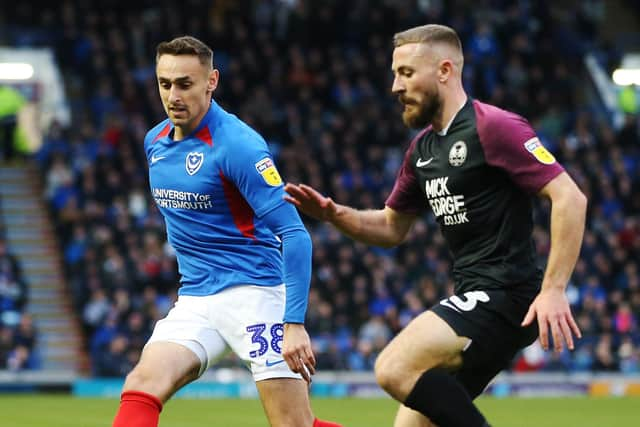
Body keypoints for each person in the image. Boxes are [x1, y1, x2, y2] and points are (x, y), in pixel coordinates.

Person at [285, 24, 587, 427]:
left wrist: (553, 290)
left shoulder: (494, 127)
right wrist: (334, 213)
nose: (395, 86)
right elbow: (392, 227)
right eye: (395, 74)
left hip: (505, 295)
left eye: (406, 73)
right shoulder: (422, 149)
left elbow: (570, 197)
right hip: (477, 296)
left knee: (392, 366)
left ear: (444, 70)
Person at [112, 36, 342, 427]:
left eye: (185, 83)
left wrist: (294, 322)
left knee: (294, 424)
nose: (173, 95)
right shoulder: (155, 141)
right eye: (164, 83)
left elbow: (295, 233)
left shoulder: (239, 146)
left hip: (256, 293)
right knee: (142, 383)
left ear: (211, 81)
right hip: (197, 297)